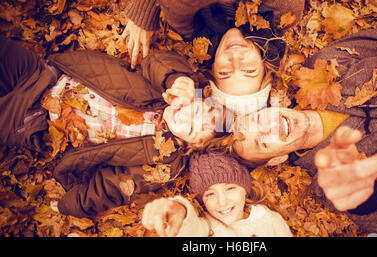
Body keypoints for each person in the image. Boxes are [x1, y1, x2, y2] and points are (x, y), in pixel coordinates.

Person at [224, 25, 377, 236]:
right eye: (263, 143)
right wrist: (367, 199)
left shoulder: (321, 68)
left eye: (256, 121)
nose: (268, 128)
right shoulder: (331, 179)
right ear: (277, 159)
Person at [0, 36, 217, 218]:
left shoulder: (163, 161)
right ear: (197, 97)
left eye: (190, 129)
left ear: (188, 146)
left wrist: (74, 204)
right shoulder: (170, 90)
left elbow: (113, 187)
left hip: (37, 120)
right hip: (47, 76)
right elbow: (156, 62)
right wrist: (177, 79)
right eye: (196, 111)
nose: (186, 117)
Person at [122, 0, 305, 114]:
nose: (235, 58)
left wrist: (145, 12)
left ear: (212, 67)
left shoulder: (194, 29)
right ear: (265, 64)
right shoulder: (284, 13)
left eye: (225, 72)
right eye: (249, 70)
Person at [141, 152, 292, 237]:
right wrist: (180, 209)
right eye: (210, 194)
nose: (222, 202)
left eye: (230, 188)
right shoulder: (209, 226)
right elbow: (191, 230)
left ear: (245, 189)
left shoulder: (270, 220)